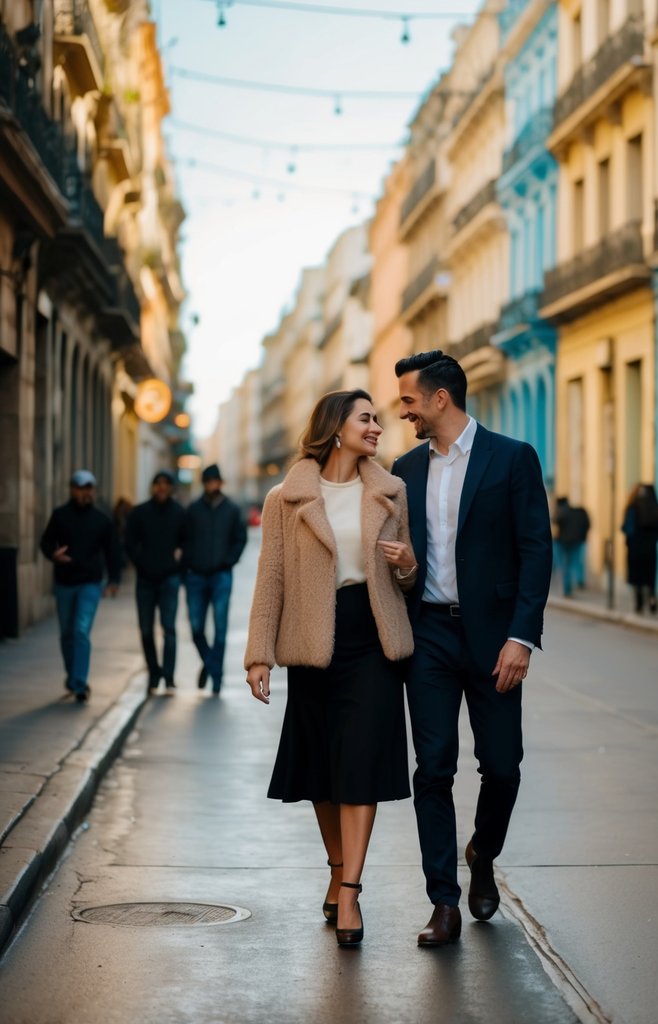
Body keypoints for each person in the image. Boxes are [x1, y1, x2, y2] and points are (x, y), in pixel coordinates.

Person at [392, 351, 552, 948]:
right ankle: (443, 901)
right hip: (428, 634)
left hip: (494, 639)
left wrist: (521, 636)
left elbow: (536, 550)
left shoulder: (511, 458)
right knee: (432, 769)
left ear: (439, 399)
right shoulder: (404, 470)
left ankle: (483, 852)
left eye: (408, 400)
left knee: (502, 765)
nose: (402, 411)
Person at [244, 390, 416, 948]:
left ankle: (351, 891)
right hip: (313, 640)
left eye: (377, 420)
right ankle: (338, 867)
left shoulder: (390, 491)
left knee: (361, 762)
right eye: (366, 419)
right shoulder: (286, 497)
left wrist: (408, 564)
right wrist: (258, 654)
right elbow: (270, 578)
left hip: (374, 635)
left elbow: (409, 575)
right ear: (336, 427)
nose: (376, 428)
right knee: (321, 766)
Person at [39, 470, 120, 703]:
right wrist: (52, 554)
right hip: (64, 582)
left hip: (90, 583)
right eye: (80, 488)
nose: (85, 492)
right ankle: (72, 676)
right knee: (66, 634)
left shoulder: (101, 519)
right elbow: (45, 541)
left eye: (88, 488)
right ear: (72, 489)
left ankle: (80, 683)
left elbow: (113, 550)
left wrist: (114, 580)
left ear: (93, 490)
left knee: (80, 631)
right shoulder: (60, 515)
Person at [182, 464, 247, 695]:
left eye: (215, 481)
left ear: (220, 483)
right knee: (197, 628)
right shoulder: (193, 510)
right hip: (196, 577)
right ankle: (210, 664)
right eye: (208, 481)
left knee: (220, 630)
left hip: (221, 576)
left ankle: (216, 679)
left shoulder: (231, 509)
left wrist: (228, 561)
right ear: (204, 483)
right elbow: (185, 540)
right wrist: (186, 568)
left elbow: (240, 538)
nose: (212, 485)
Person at [125, 470, 186, 694]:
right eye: (157, 483)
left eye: (166, 483)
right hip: (145, 581)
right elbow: (129, 542)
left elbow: (187, 542)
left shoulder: (180, 513)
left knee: (169, 629)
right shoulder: (140, 512)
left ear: (171, 487)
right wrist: (140, 561)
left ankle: (169, 678)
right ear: (153, 487)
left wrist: (179, 560)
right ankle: (154, 674)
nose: (161, 487)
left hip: (169, 579)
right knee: (145, 630)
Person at [621, 484, 658, 615]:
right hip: (650, 548)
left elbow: (626, 527)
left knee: (637, 577)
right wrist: (654, 538)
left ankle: (639, 603)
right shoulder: (657, 508)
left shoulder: (633, 508)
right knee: (650, 577)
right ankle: (652, 600)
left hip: (635, 548)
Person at [553, 496, 590, 597]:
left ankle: (567, 589)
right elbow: (587, 524)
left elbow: (555, 521)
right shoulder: (579, 512)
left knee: (565, 566)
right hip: (577, 541)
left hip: (563, 542)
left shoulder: (563, 512)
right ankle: (579, 580)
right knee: (577, 562)